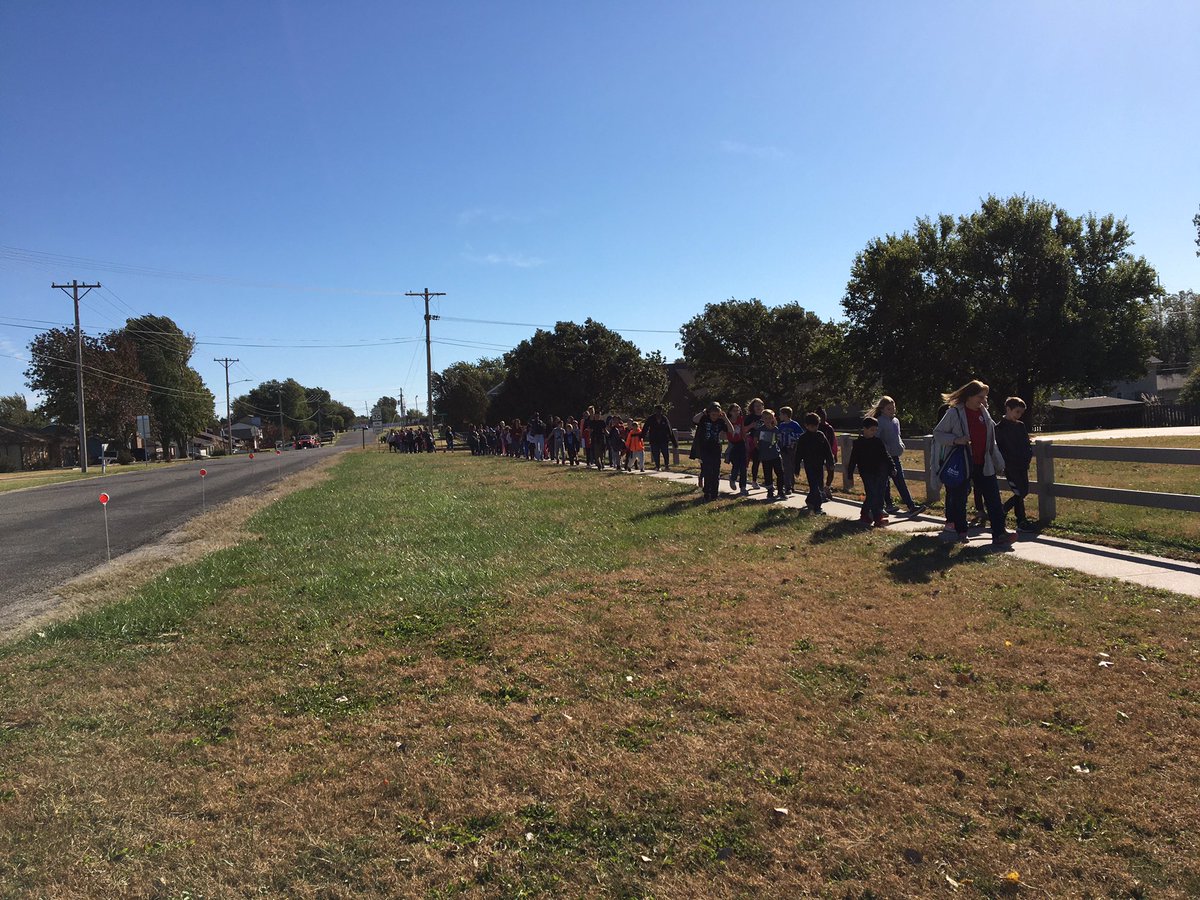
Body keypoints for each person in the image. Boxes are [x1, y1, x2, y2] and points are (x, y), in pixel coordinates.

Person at [933, 380, 1017, 549]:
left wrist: (998, 462)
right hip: (962, 463)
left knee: (993, 498)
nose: (983, 400)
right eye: (980, 396)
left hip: (983, 463)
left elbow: (991, 441)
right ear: (969, 396)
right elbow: (938, 434)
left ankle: (999, 533)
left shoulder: (984, 413)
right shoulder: (954, 413)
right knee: (959, 498)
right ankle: (961, 531)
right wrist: (956, 440)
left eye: (984, 397)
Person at [870, 396, 926, 516]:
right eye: (889, 409)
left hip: (895, 456)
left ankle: (910, 506)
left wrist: (901, 444)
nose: (892, 411)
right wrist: (886, 449)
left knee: (900, 480)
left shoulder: (896, 421)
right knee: (886, 482)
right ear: (882, 409)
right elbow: (877, 438)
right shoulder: (879, 421)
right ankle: (892, 504)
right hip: (884, 457)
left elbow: (897, 435)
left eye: (893, 408)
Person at [995, 397, 1037, 533]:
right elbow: (999, 448)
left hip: (1022, 465)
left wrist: (1027, 456)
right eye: (1017, 412)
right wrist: (1004, 463)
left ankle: (1004, 511)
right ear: (1008, 409)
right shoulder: (999, 428)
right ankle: (1020, 520)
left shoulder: (1020, 426)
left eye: (1021, 413)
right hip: (1010, 466)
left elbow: (1026, 444)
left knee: (1023, 491)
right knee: (1019, 492)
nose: (1019, 415)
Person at [846, 416, 890, 526]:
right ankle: (874, 517)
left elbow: (885, 456)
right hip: (866, 473)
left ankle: (870, 515)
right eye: (871, 430)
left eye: (875, 430)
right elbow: (853, 459)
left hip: (878, 472)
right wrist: (850, 475)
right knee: (872, 494)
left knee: (877, 494)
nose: (874, 432)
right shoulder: (858, 444)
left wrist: (892, 467)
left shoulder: (878, 442)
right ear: (864, 429)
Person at [796, 412, 836, 513]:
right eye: (812, 426)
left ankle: (809, 500)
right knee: (814, 486)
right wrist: (796, 467)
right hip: (809, 465)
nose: (814, 428)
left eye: (816, 426)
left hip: (819, 465)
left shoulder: (820, 435)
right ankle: (817, 508)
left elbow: (827, 450)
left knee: (819, 485)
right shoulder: (803, 438)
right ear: (806, 426)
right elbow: (798, 454)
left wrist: (830, 462)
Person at [692, 402, 732, 501]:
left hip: (716, 449)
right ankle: (707, 492)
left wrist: (725, 418)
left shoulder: (720, 421)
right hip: (705, 449)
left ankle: (714, 493)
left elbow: (731, 430)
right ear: (709, 413)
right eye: (713, 414)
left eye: (717, 415)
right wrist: (703, 412)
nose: (714, 417)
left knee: (716, 472)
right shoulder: (704, 419)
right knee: (707, 471)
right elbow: (694, 420)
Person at [754, 409, 784, 501]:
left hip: (775, 455)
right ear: (763, 419)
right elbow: (755, 440)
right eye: (766, 418)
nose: (768, 420)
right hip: (765, 456)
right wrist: (760, 448)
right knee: (768, 474)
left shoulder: (775, 429)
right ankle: (770, 491)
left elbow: (778, 440)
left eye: (770, 418)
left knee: (780, 473)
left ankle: (780, 491)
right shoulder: (760, 429)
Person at [776, 406, 803, 499]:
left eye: (781, 414)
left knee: (791, 466)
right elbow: (778, 436)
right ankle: (788, 487)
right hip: (784, 449)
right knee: (786, 467)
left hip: (792, 449)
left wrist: (791, 438)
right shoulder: (781, 425)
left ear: (785, 415)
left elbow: (800, 435)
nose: (779, 416)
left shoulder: (794, 424)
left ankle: (791, 484)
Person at [643, 405, 678, 471]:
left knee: (665, 453)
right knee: (655, 453)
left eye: (660, 410)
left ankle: (666, 465)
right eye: (657, 410)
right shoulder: (651, 419)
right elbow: (645, 428)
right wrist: (642, 437)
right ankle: (658, 466)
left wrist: (674, 442)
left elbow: (669, 430)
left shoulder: (664, 418)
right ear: (655, 411)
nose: (658, 412)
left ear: (661, 411)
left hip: (663, 439)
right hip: (654, 439)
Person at [725, 402, 749, 495]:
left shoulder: (740, 419)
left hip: (741, 443)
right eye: (734, 411)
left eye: (738, 410)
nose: (736, 412)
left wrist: (746, 442)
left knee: (743, 467)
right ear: (730, 412)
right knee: (736, 465)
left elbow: (743, 431)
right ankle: (733, 478)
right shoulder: (727, 420)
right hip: (732, 445)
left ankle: (743, 487)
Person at [815, 406, 837, 502]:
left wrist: (834, 454)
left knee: (831, 472)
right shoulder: (816, 428)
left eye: (824, 415)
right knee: (819, 474)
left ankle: (827, 487)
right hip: (818, 454)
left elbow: (833, 441)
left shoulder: (829, 428)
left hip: (828, 453)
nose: (823, 418)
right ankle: (820, 492)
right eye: (821, 416)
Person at [744, 398, 765, 489]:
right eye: (756, 406)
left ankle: (768, 481)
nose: (758, 407)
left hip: (765, 441)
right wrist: (751, 426)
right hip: (753, 441)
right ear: (752, 407)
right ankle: (754, 481)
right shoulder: (750, 417)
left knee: (767, 462)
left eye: (760, 405)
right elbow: (743, 430)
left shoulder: (766, 415)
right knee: (755, 462)